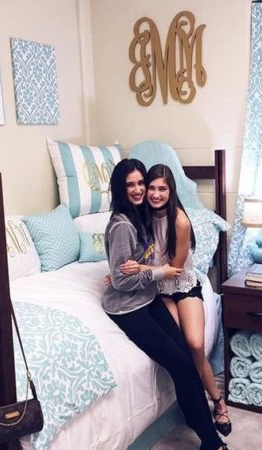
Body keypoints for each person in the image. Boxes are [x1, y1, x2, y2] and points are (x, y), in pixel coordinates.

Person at [103, 158, 228, 450]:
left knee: (186, 358)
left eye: (141, 183)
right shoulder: (122, 225)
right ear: (120, 188)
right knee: (182, 365)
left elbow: (145, 263)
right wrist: (151, 273)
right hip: (128, 308)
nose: (139, 190)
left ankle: (207, 428)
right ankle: (211, 441)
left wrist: (139, 269)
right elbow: (121, 282)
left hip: (148, 297)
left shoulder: (142, 214)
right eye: (131, 185)